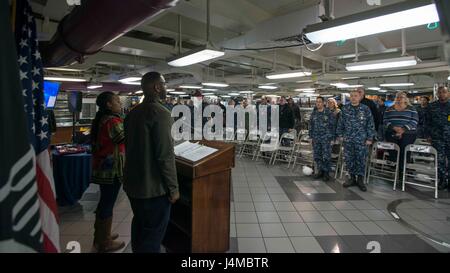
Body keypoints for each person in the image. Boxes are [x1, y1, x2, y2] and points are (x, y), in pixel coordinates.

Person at [123, 72, 180, 253]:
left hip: (134, 185)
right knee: (152, 238)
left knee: (139, 228)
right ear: (157, 87)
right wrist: (173, 188)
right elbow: (165, 156)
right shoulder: (161, 113)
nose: (165, 87)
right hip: (153, 189)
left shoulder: (133, 113)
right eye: (164, 84)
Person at [90, 91, 126, 252]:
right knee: (107, 204)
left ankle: (101, 236)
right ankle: (104, 242)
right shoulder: (112, 120)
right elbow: (122, 137)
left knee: (105, 202)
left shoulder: (102, 119)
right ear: (108, 104)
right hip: (111, 170)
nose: (120, 103)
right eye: (117, 101)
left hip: (102, 167)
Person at [337, 90, 376, 192]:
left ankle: (360, 179)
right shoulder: (345, 109)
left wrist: (369, 138)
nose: (353, 98)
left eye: (356, 96)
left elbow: (370, 124)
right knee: (349, 159)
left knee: (361, 159)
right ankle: (352, 178)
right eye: (352, 96)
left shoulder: (365, 109)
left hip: (361, 140)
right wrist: (340, 135)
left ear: (360, 97)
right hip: (348, 139)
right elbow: (340, 123)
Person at [383, 91, 419, 178]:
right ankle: (395, 166)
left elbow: (414, 121)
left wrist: (403, 129)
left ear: (406, 99)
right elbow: (385, 120)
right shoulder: (389, 108)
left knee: (404, 150)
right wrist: (394, 128)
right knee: (393, 150)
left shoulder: (412, 108)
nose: (399, 99)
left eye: (401, 97)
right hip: (392, 131)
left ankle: (402, 171)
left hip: (408, 133)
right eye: (398, 97)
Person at [425, 86, 450, 191]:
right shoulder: (431, 106)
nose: (441, 94)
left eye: (444, 92)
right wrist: (428, 135)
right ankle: (442, 180)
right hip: (437, 137)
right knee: (439, 161)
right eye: (439, 92)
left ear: (448, 93)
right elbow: (427, 122)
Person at [309, 97, 336, 181]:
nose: (318, 103)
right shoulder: (314, 113)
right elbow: (310, 126)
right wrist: (310, 137)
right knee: (317, 156)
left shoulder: (329, 113)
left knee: (326, 156)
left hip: (326, 139)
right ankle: (320, 171)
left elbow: (333, 126)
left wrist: (332, 138)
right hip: (316, 138)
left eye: (320, 102)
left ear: (323, 103)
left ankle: (326, 173)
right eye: (317, 102)